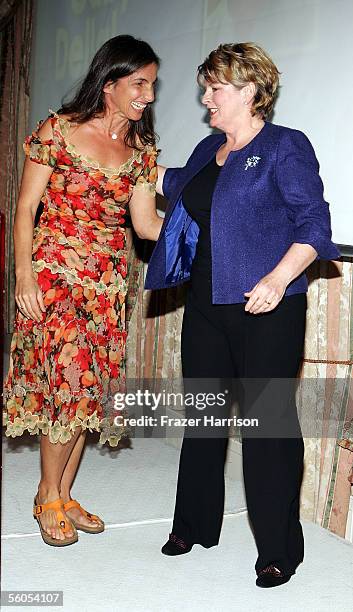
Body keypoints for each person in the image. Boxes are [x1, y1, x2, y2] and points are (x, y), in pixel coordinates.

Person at [145, 42, 340, 587]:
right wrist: (121, 157)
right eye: (206, 85)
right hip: (206, 304)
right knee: (204, 420)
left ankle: (279, 549)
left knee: (267, 427)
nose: (205, 96)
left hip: (267, 308)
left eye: (215, 87)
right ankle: (195, 525)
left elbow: (313, 226)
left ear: (251, 90)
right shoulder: (210, 149)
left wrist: (279, 279)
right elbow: (172, 183)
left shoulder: (285, 147)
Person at [3, 35, 162, 546]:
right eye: (139, 83)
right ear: (110, 83)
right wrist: (22, 274)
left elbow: (145, 225)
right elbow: (26, 207)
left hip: (108, 286)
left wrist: (213, 220)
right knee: (68, 386)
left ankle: (63, 494)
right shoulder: (59, 130)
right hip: (53, 278)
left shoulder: (140, 151)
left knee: (88, 394)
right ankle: (48, 496)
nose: (148, 95)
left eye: (153, 85)